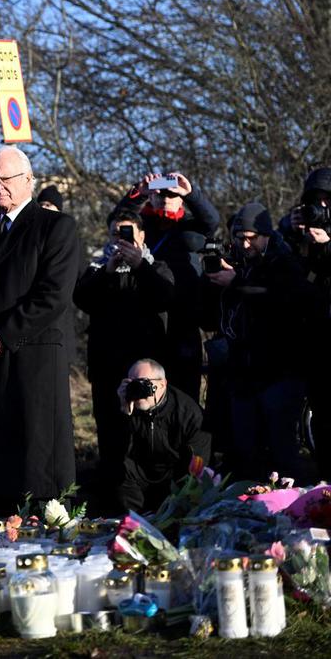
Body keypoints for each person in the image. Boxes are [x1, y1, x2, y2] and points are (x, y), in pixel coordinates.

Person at [0, 147, 80, 516]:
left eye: (4, 179)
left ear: (28, 180)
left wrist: (2, 336)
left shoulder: (56, 227)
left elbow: (52, 296)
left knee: (36, 468)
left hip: (33, 363)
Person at [200, 203, 314, 481]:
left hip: (280, 373)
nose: (246, 243)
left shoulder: (282, 261)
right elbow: (209, 318)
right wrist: (213, 281)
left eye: (252, 237)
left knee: (282, 450)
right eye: (240, 238)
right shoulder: (236, 263)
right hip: (242, 375)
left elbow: (284, 299)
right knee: (246, 451)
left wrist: (236, 282)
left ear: (266, 235)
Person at [73, 209, 176, 503]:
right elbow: (81, 298)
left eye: (128, 233)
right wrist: (108, 270)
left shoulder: (158, 267)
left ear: (142, 236)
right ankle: (111, 497)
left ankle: (151, 496)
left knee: (147, 433)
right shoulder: (99, 270)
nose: (122, 240)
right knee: (110, 434)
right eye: (116, 234)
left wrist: (139, 266)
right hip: (107, 370)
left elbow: (166, 296)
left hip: (144, 371)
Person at [113, 171, 220, 404]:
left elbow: (212, 221)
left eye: (172, 194)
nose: (166, 198)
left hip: (184, 318)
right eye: (160, 193)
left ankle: (183, 439)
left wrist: (191, 193)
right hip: (148, 318)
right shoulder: (143, 227)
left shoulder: (190, 228)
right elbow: (119, 220)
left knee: (185, 392)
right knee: (147, 390)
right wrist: (138, 194)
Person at [281, 167, 331, 477]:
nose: (321, 208)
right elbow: (291, 284)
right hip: (314, 348)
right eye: (315, 201)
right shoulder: (301, 238)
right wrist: (290, 235)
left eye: (327, 201)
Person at [115, 359, 210, 512]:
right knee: (120, 468)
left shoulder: (187, 412)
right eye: (132, 384)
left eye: (143, 383)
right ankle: (135, 520)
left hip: (175, 477)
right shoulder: (127, 405)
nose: (137, 390)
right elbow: (115, 453)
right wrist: (124, 414)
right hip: (140, 477)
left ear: (162, 384)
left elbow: (199, 462)